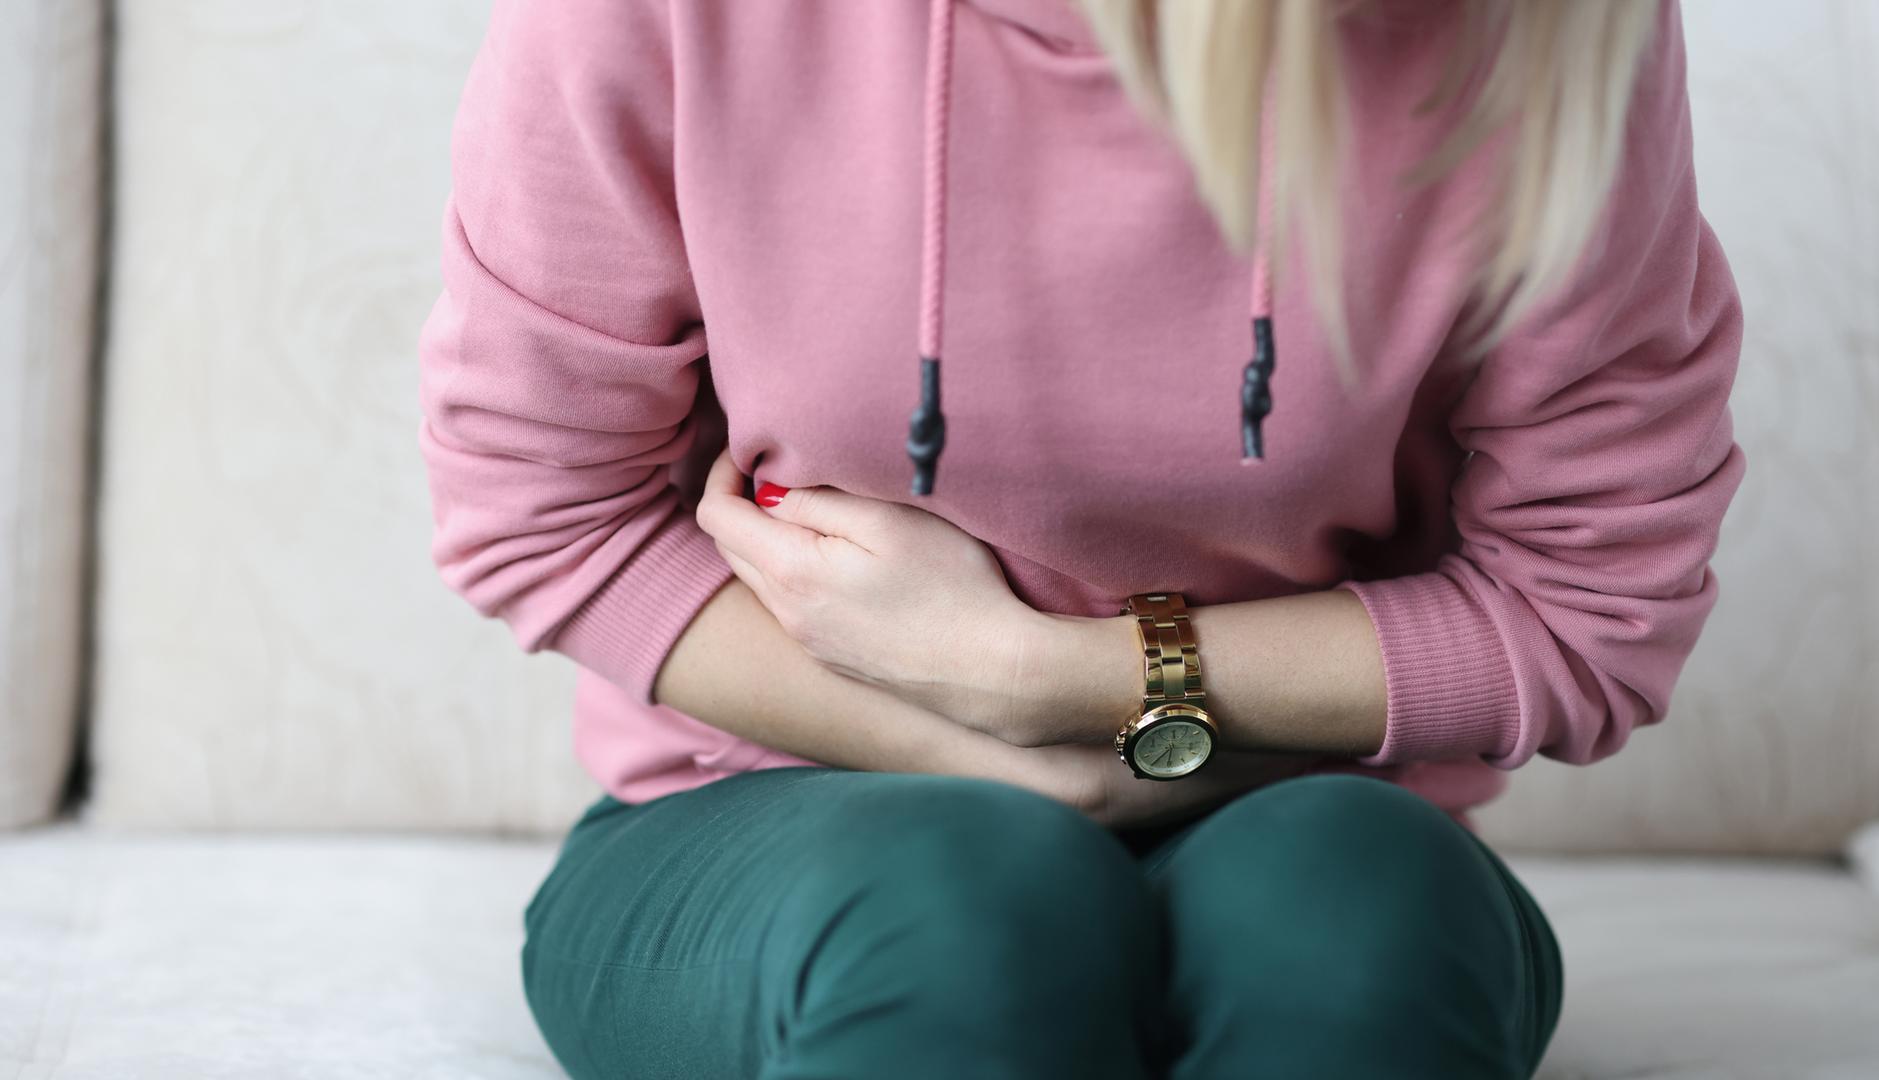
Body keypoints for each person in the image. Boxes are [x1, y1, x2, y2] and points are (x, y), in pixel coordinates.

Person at [418, 0, 1742, 1076]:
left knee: (1361, 913)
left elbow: (1588, 606)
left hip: (1292, 814)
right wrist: (1023, 775)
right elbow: (545, 513)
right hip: (763, 818)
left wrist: (1051, 684)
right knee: (962, 908)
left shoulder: (1545, 35)